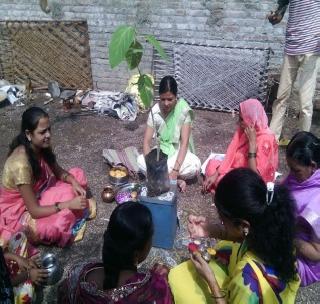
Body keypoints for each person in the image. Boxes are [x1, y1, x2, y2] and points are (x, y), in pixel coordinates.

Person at [169, 168, 300, 303]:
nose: (221, 224)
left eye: (223, 221)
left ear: (244, 226)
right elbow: (241, 235)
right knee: (223, 247)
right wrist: (211, 230)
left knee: (177, 278)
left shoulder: (247, 282)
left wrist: (211, 281)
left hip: (243, 290)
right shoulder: (274, 229)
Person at [0, 107, 96, 248]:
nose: (48, 135)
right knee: (54, 226)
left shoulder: (40, 146)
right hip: (22, 209)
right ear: (28, 134)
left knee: (77, 175)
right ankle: (72, 213)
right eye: (42, 132)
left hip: (40, 192)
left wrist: (73, 181)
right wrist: (68, 205)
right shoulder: (20, 164)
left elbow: (58, 171)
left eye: (49, 129)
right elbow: (34, 211)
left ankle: (72, 209)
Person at [58, 202, 173, 303]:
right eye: (151, 238)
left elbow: (63, 292)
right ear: (137, 254)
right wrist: (160, 278)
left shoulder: (80, 274)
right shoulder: (154, 289)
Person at [268, 0, 320, 144]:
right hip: (291, 48)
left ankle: (304, 144)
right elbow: (279, 15)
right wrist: (274, 17)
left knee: (305, 104)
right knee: (281, 97)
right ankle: (271, 140)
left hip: (311, 49)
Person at [137, 75, 201, 191]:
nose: (166, 103)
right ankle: (172, 180)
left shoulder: (183, 110)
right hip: (160, 152)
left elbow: (185, 143)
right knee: (140, 161)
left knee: (195, 165)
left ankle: (167, 177)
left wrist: (175, 171)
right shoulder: (155, 112)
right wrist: (152, 166)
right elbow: (146, 143)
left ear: (176, 97)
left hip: (178, 152)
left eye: (170, 99)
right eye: (163, 99)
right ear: (159, 97)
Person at [203, 99, 278, 193]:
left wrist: (252, 144)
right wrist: (215, 175)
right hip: (239, 172)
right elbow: (231, 155)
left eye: (242, 119)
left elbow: (255, 177)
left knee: (235, 186)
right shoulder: (245, 129)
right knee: (212, 165)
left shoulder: (266, 139)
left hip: (254, 183)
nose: (238, 123)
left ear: (252, 119)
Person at [284, 131, 320, 286]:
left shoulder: (317, 203)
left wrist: (287, 237)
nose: (291, 175)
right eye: (289, 168)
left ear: (313, 166)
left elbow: (316, 254)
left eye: (295, 170)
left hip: (305, 262)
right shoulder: (300, 178)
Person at [2, 232, 48, 303]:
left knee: (19, 236)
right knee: (25, 297)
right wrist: (28, 275)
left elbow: (2, 255)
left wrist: (17, 258)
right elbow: (6, 286)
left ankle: (28, 271)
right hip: (6, 292)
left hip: (5, 272)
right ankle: (33, 292)